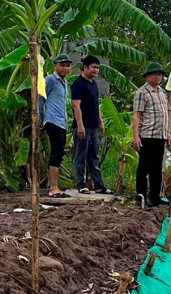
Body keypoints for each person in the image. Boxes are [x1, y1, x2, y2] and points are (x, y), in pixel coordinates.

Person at [70, 56, 114, 195]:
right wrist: (80, 125)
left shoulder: (94, 84)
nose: (96, 70)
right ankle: (81, 184)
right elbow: (76, 106)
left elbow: (96, 105)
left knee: (94, 157)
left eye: (97, 68)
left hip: (94, 126)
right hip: (83, 126)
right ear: (85, 67)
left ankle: (99, 185)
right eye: (93, 67)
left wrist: (100, 121)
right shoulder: (78, 84)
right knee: (80, 156)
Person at [132, 62, 170, 207]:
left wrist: (167, 134)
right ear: (147, 76)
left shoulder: (162, 92)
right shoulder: (142, 92)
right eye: (154, 74)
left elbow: (165, 115)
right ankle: (140, 196)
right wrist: (136, 136)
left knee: (157, 169)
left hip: (160, 135)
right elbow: (137, 116)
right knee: (144, 168)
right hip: (147, 134)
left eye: (159, 74)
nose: (157, 77)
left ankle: (155, 197)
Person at [38, 54, 72, 198]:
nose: (65, 68)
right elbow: (40, 100)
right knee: (56, 152)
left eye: (67, 65)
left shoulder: (64, 82)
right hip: (52, 121)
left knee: (59, 153)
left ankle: (55, 186)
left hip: (61, 122)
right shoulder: (50, 80)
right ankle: (53, 187)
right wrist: (40, 120)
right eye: (62, 65)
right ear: (55, 65)